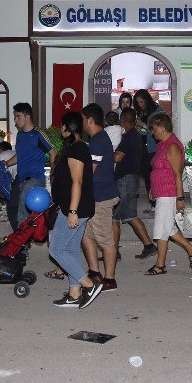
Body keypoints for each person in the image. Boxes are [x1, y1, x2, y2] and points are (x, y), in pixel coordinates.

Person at [47, 111, 103, 309]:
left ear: (65, 127)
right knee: (70, 249)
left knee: (56, 249)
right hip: (77, 207)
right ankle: (74, 293)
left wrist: (72, 212)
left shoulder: (77, 149)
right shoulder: (75, 147)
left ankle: (88, 285)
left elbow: (77, 182)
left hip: (75, 209)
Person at [143, 112, 192, 275]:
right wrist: (152, 188)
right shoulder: (163, 144)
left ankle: (160, 265)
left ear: (162, 128)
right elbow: (158, 169)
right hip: (161, 192)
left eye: (154, 129)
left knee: (161, 230)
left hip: (169, 194)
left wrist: (180, 197)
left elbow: (177, 174)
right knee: (168, 228)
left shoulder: (173, 146)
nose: (152, 132)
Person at [79, 104, 121, 292]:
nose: (81, 124)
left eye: (82, 119)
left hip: (101, 198)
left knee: (105, 239)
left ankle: (110, 279)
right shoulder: (97, 139)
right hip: (93, 196)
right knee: (86, 235)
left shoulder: (98, 141)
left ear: (89, 120)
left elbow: (90, 171)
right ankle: (94, 273)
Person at [113, 107, 157, 260]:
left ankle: (113, 252)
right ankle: (149, 246)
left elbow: (118, 157)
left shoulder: (129, 137)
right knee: (131, 216)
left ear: (122, 121)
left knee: (113, 217)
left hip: (125, 180)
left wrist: (107, 153)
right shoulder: (135, 136)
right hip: (131, 180)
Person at [1, 103, 55, 227]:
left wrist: (53, 176)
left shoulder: (38, 134)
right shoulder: (20, 136)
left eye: (18, 117)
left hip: (36, 178)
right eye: (15, 117)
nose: (15, 120)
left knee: (23, 199)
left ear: (27, 117)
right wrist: (7, 163)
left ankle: (21, 236)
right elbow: (20, 155)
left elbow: (53, 153)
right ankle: (19, 238)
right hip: (20, 178)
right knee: (11, 205)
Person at [133, 88, 160, 205]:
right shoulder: (141, 113)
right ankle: (152, 202)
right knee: (147, 175)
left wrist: (143, 125)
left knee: (155, 176)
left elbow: (158, 130)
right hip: (144, 148)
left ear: (147, 100)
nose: (140, 105)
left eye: (142, 102)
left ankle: (156, 202)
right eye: (138, 102)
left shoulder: (157, 111)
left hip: (154, 148)